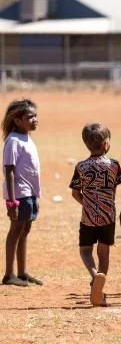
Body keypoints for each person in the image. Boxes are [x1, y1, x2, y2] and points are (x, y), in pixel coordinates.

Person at [70, 123, 121, 306]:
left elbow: (75, 193)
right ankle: (100, 281)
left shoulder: (81, 166)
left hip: (88, 216)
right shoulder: (114, 165)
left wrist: (89, 203)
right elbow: (115, 188)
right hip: (108, 214)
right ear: (106, 144)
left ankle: (94, 277)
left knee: (85, 250)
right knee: (104, 251)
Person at [2, 99, 42, 287]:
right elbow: (8, 171)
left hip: (30, 193)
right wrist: (11, 202)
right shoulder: (13, 141)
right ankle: (9, 274)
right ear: (17, 120)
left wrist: (36, 195)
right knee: (16, 230)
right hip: (19, 195)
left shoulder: (27, 138)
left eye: (35, 116)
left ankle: (22, 272)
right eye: (30, 117)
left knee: (25, 230)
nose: (35, 120)